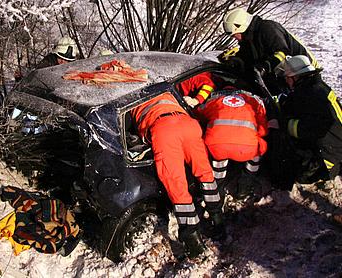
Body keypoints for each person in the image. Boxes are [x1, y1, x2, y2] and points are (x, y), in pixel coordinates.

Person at [131, 92, 225, 258]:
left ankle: (193, 241)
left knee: (176, 184)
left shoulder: (128, 97)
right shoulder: (161, 88)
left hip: (162, 129)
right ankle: (218, 220)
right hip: (187, 122)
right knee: (205, 173)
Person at [220, 8, 320, 95]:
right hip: (287, 76)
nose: (235, 38)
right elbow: (247, 58)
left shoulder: (267, 28)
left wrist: (266, 66)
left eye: (235, 35)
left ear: (241, 26)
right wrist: (234, 61)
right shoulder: (249, 39)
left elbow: (282, 52)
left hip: (305, 72)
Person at [276, 55, 342, 181]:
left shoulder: (309, 94)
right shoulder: (316, 87)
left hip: (327, 158)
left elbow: (313, 128)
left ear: (295, 77)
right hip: (335, 145)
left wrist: (283, 124)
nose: (286, 81)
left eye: (287, 78)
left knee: (284, 170)